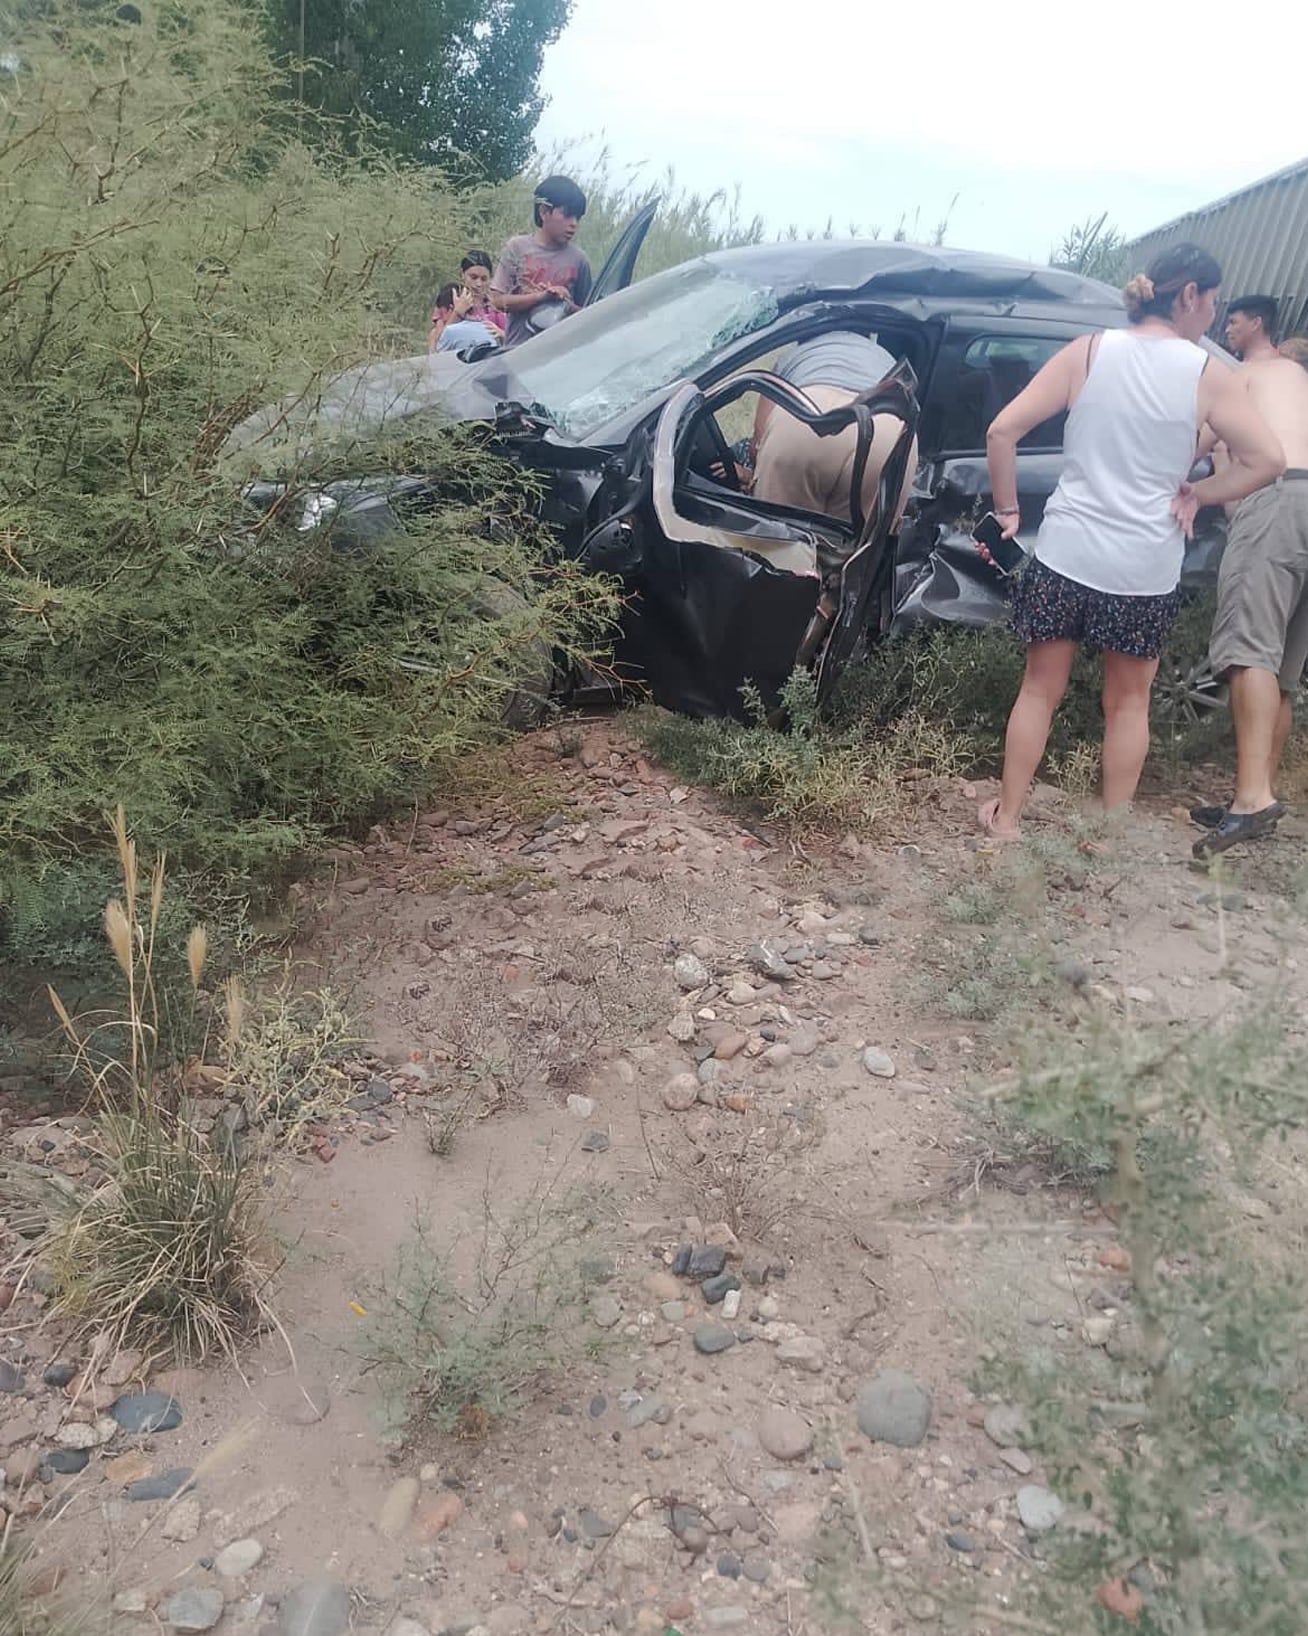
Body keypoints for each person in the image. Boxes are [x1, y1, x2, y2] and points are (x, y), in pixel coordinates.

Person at [976, 243, 1284, 841]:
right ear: (1189, 296)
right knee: (1128, 705)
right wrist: (1201, 494)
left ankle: (1007, 820)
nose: (1214, 316)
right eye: (1213, 302)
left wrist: (1008, 511)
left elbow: (1001, 430)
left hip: (1065, 554)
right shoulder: (1208, 375)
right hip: (1145, 567)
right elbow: (1268, 459)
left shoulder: (1088, 352)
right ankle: (1105, 840)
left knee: (1038, 691)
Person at [1192, 319, 1308, 855]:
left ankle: (1251, 800)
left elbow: (1194, 440)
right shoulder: (1296, 383)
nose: (1227, 329)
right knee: (1280, 669)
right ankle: (1261, 793)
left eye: (1234, 322)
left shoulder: (1242, 374)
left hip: (1279, 501)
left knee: (1249, 653)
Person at [750, 330, 916, 527]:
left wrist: (750, 474)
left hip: (809, 414)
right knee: (860, 542)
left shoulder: (793, 356)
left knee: (777, 534)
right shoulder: (883, 356)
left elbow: (758, 443)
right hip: (885, 429)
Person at [491, 175, 593, 348]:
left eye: (578, 217)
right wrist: (541, 297)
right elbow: (498, 301)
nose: (574, 224)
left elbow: (589, 315)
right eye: (567, 215)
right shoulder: (517, 248)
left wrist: (565, 305)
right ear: (544, 212)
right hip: (517, 352)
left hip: (559, 355)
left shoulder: (579, 260)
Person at [427, 251, 505, 354]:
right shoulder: (448, 299)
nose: (478, 284)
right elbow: (438, 344)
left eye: (484, 279)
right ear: (462, 274)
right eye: (473, 277)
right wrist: (457, 313)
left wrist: (502, 335)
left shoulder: (495, 308)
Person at [1224, 294, 1279, 363]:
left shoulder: (1272, 366)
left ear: (1255, 323)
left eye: (1233, 322)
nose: (1227, 330)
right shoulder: (1280, 364)